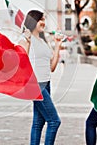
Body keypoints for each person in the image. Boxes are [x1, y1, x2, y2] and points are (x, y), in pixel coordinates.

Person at [19, 10, 63, 145]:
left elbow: (52, 68)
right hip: (35, 84)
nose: (43, 22)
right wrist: (26, 41)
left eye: (44, 19)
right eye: (40, 20)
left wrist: (57, 46)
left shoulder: (43, 41)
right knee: (54, 121)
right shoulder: (25, 39)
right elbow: (21, 62)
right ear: (33, 21)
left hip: (46, 83)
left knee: (38, 122)